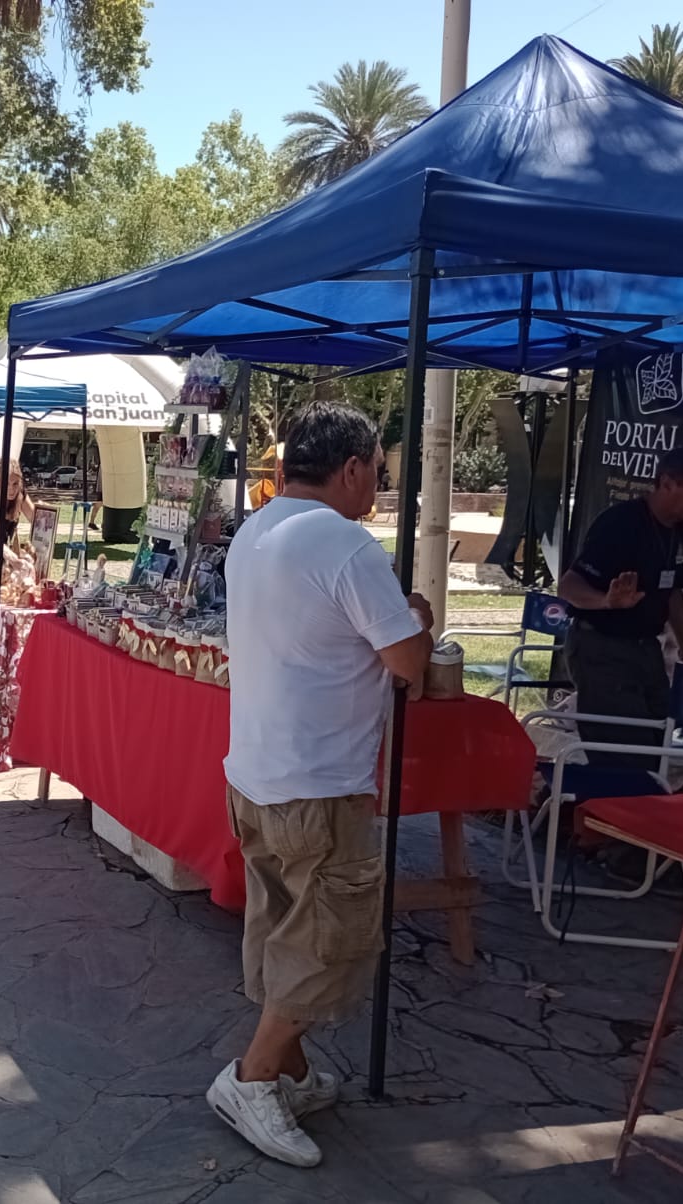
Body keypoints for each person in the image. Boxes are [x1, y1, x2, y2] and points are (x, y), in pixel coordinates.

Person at [212, 402, 433, 1169]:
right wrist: (418, 614)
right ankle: (255, 1076)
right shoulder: (345, 543)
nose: (377, 482)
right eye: (376, 468)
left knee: (282, 926)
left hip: (256, 772)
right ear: (352, 469)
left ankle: (291, 1070)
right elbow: (407, 663)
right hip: (320, 781)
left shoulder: (256, 530)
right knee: (329, 940)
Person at [557, 448, 683, 765]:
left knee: (657, 743)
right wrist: (606, 601)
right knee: (622, 750)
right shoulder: (620, 524)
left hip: (646, 650)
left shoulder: (679, 531)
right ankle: (602, 809)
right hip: (601, 649)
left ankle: (637, 804)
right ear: (668, 482)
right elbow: (568, 586)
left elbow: (672, 593)